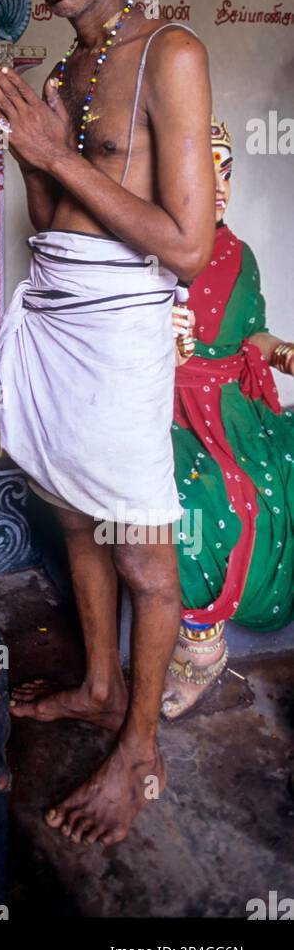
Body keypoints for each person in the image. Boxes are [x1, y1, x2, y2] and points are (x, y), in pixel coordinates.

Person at [0, 0, 215, 846]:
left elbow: (188, 245)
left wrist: (53, 152)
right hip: (56, 316)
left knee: (145, 556)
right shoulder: (58, 72)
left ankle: (138, 748)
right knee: (76, 517)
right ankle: (98, 682)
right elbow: (49, 220)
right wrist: (15, 153)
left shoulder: (171, 54)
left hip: (121, 330)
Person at [162, 116, 294, 718]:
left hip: (233, 404)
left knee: (274, 476)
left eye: (227, 168)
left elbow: (253, 335)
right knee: (198, 497)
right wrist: (161, 343)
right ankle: (201, 647)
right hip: (163, 403)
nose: (217, 183)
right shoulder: (146, 249)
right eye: (201, 168)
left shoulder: (240, 253)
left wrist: (286, 352)